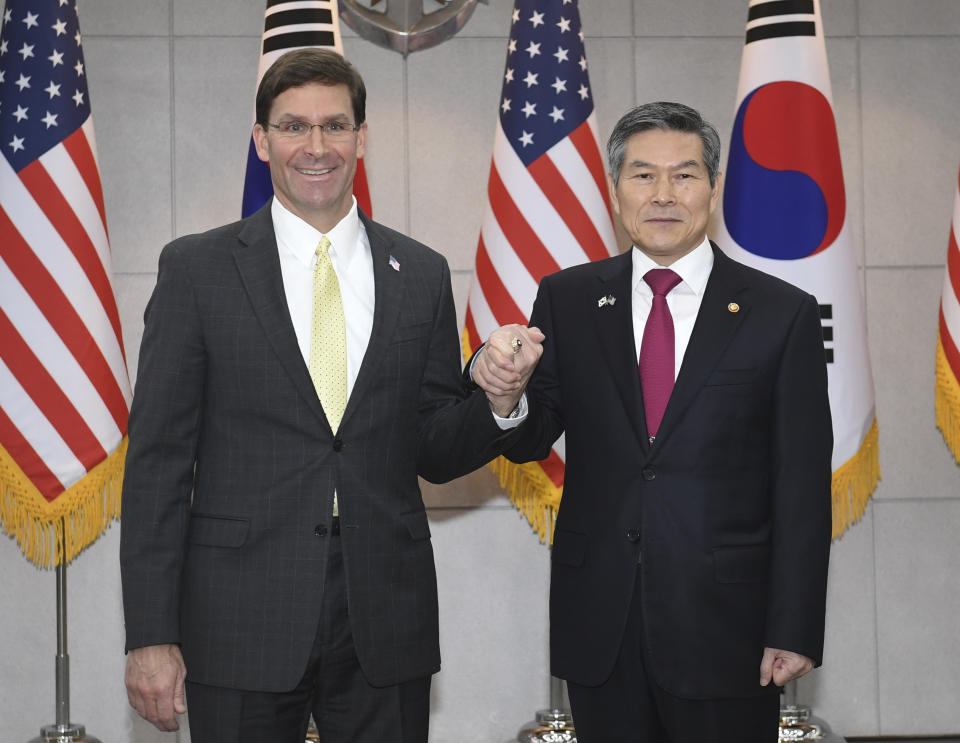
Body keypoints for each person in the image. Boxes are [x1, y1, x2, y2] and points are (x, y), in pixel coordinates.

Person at [119, 48, 541, 743]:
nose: (316, 147)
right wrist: (151, 634)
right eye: (293, 127)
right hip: (239, 615)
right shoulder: (197, 270)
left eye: (335, 126)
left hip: (384, 612)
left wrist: (497, 402)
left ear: (362, 137)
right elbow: (158, 463)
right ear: (262, 141)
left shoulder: (422, 272)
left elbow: (433, 447)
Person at [473, 101, 833, 742]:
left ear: (715, 190)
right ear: (615, 192)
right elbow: (534, 435)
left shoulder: (782, 313)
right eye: (643, 175)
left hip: (731, 630)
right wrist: (507, 394)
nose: (664, 194)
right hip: (601, 625)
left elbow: (801, 486)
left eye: (685, 175)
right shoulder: (568, 298)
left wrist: (794, 626)